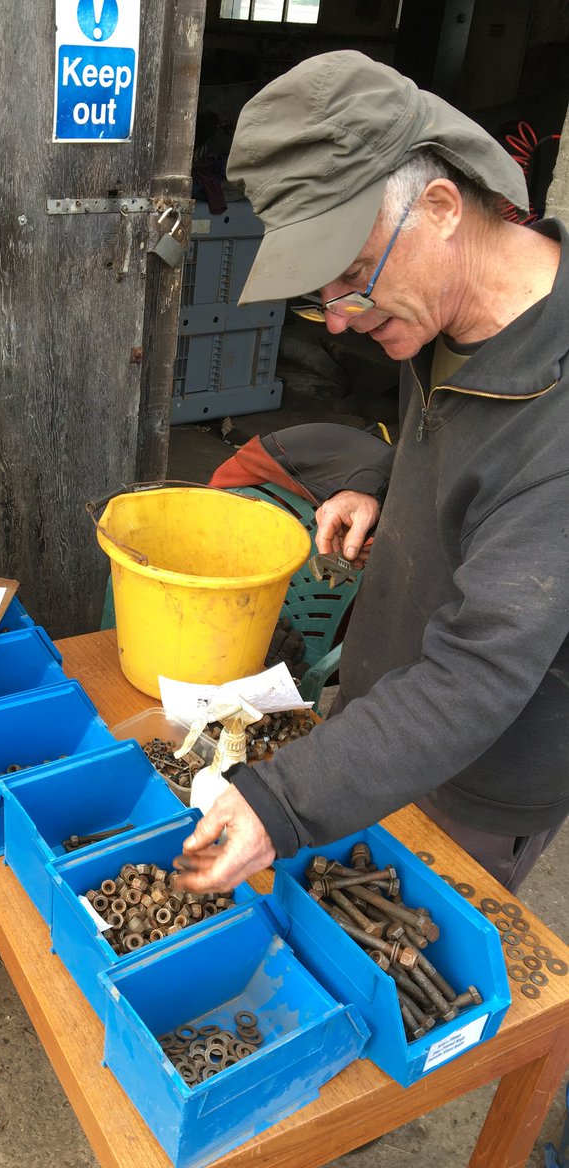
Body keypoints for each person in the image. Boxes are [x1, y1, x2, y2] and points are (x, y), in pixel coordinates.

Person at [176, 51, 569, 898]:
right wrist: (385, 484)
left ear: (438, 208)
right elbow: (466, 447)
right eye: (325, 295)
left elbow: (479, 671)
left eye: (353, 278)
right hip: (381, 716)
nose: (343, 322)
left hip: (475, 771)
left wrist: (280, 801)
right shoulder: (448, 309)